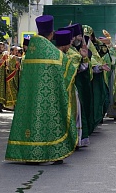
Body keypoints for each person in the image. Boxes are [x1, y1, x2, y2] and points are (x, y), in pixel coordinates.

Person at [5, 15, 78, 164]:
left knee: (30, 121)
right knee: (51, 122)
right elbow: (69, 70)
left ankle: (29, 152)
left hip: (29, 97)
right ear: (51, 34)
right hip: (49, 98)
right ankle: (54, 152)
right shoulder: (56, 54)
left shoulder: (28, 53)